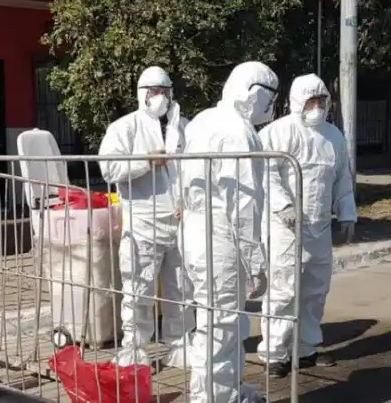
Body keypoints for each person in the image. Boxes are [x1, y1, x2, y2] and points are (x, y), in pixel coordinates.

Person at [179, 61, 279, 403]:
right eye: (269, 97)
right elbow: (243, 207)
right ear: (254, 94)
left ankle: (219, 392)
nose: (271, 106)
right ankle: (216, 398)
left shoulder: (203, 120)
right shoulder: (239, 132)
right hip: (221, 236)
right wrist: (256, 264)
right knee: (221, 325)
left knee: (213, 322)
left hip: (195, 230)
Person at [257, 73, 357, 376]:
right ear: (297, 101)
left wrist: (347, 212)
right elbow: (264, 172)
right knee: (283, 290)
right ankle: (274, 354)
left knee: (315, 290)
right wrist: (283, 206)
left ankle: (306, 349)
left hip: (319, 226)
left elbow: (341, 177)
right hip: (284, 227)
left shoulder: (333, 136)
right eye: (311, 101)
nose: (317, 107)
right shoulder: (277, 132)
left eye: (321, 101)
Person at [98, 66, 193, 368]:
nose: (159, 97)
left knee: (182, 290)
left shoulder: (184, 127)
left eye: (164, 91)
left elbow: (195, 170)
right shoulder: (124, 128)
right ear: (142, 94)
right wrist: (145, 162)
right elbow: (109, 169)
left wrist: (189, 201)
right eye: (153, 91)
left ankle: (180, 345)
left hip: (180, 221)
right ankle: (134, 350)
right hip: (143, 223)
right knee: (138, 291)